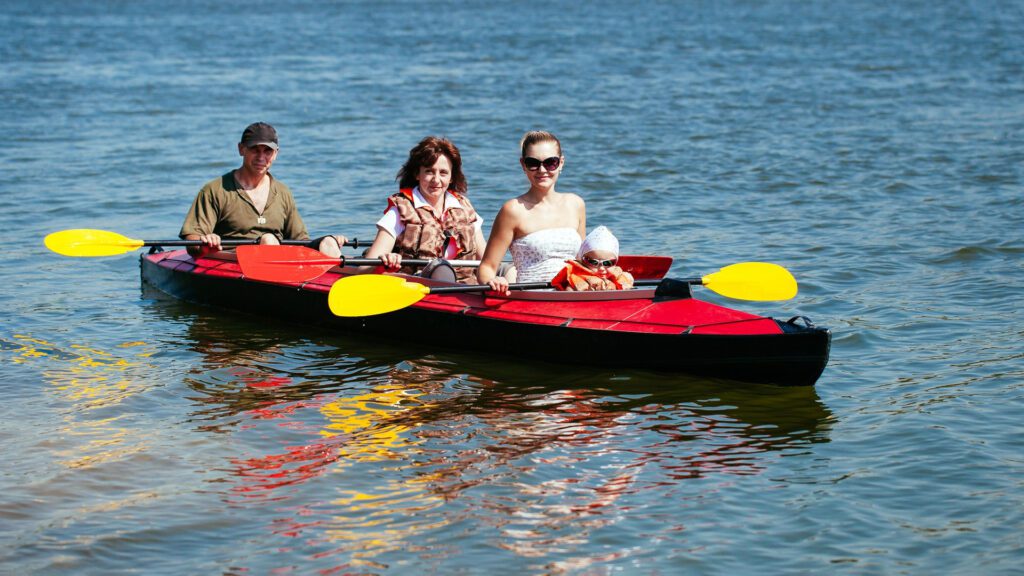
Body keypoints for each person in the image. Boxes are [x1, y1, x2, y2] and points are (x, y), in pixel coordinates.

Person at [179, 122, 345, 257]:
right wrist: (206, 240)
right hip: (235, 262)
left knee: (328, 242)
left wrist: (330, 242)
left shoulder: (283, 192)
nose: (261, 157)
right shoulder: (214, 190)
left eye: (267, 151)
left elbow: (300, 241)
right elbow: (192, 240)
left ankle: (342, 282)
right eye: (254, 150)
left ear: (276, 154)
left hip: (279, 259)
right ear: (241, 149)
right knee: (268, 240)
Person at [363, 136, 486, 283]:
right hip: (420, 285)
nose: (436, 179)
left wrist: (496, 278)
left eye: (443, 172)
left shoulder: (465, 208)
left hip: (466, 288)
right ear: (417, 174)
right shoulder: (399, 211)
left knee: (509, 269)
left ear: (452, 177)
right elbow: (364, 268)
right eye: (429, 171)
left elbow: (486, 260)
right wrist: (385, 262)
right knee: (441, 269)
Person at [477, 131, 586, 294]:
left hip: (571, 298)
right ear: (523, 165)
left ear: (561, 163)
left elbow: (581, 262)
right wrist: (493, 280)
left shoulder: (576, 204)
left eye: (550, 162)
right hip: (532, 300)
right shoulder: (513, 210)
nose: (542, 170)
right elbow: (487, 267)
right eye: (533, 163)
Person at [551, 226, 634, 291]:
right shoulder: (575, 280)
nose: (601, 268)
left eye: (608, 263)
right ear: (583, 261)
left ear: (616, 262)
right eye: (594, 262)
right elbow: (569, 298)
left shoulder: (620, 277)